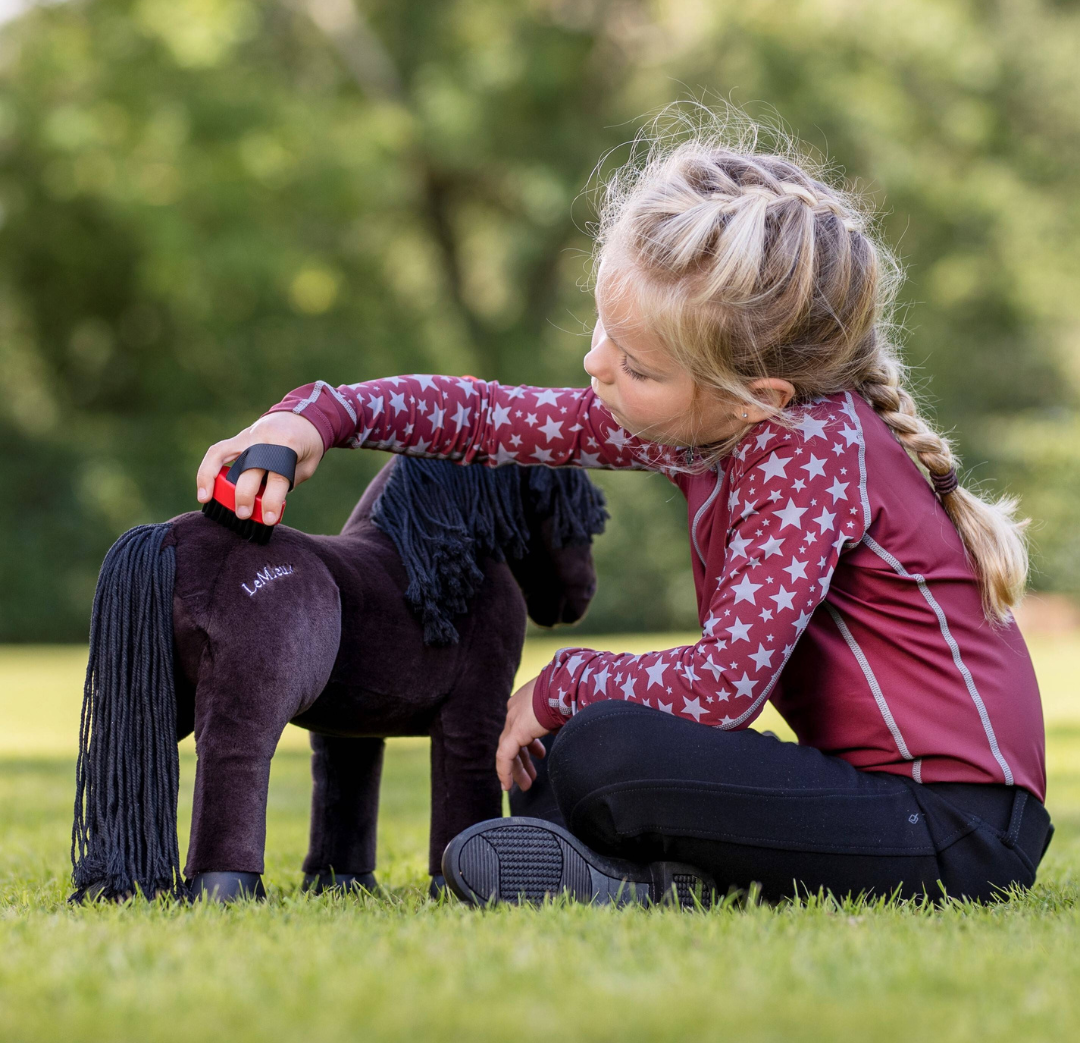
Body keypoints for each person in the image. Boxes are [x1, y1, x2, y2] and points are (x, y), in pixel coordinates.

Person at [196, 114, 1051, 905]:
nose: (595, 363)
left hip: (960, 830)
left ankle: (639, 873)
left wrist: (562, 682)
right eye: (604, 330)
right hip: (877, 803)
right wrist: (317, 416)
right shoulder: (713, 424)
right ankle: (642, 878)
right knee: (556, 760)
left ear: (758, 394)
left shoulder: (809, 450)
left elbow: (722, 690)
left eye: (637, 366)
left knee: (605, 745)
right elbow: (492, 418)